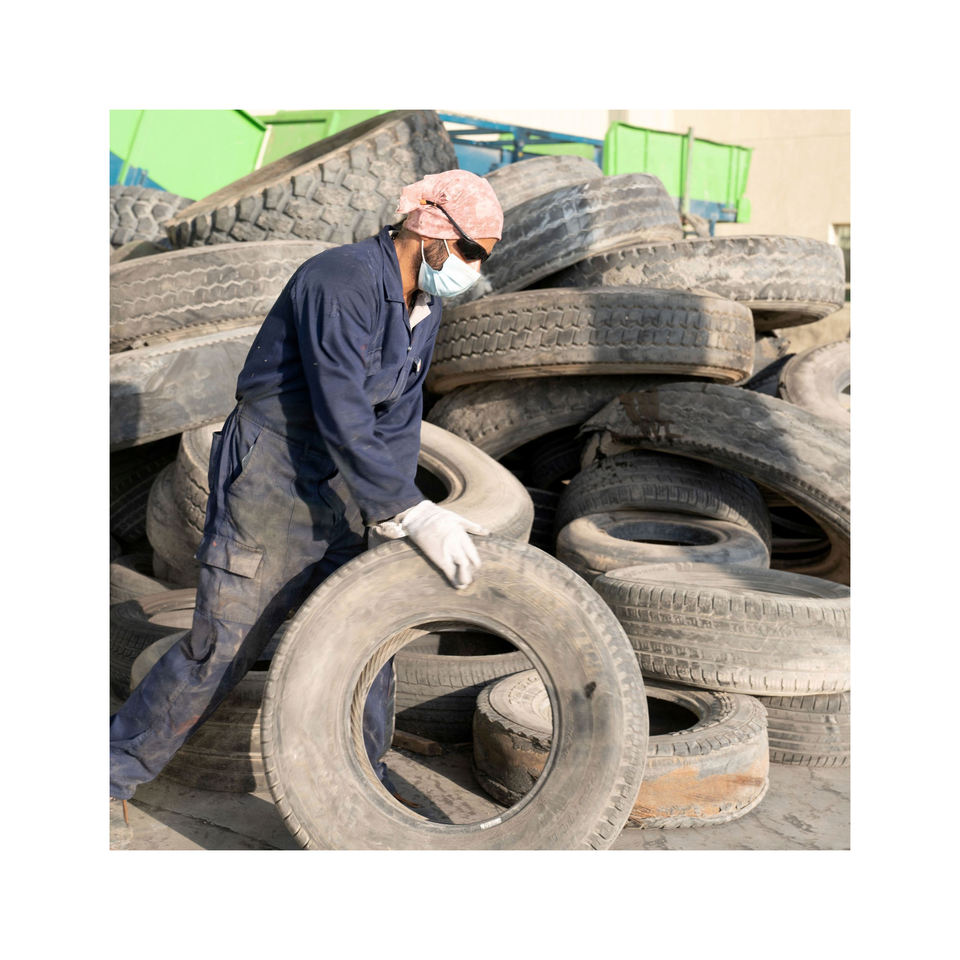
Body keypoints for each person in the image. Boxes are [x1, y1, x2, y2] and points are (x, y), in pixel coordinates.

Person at [110, 169, 504, 836]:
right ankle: (109, 775)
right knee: (222, 649)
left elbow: (398, 417)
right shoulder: (340, 279)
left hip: (343, 480)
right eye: (471, 252)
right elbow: (341, 406)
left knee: (364, 635)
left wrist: (401, 508)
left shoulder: (424, 306)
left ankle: (364, 794)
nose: (473, 269)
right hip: (272, 469)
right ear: (432, 231)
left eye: (483, 258)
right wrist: (409, 510)